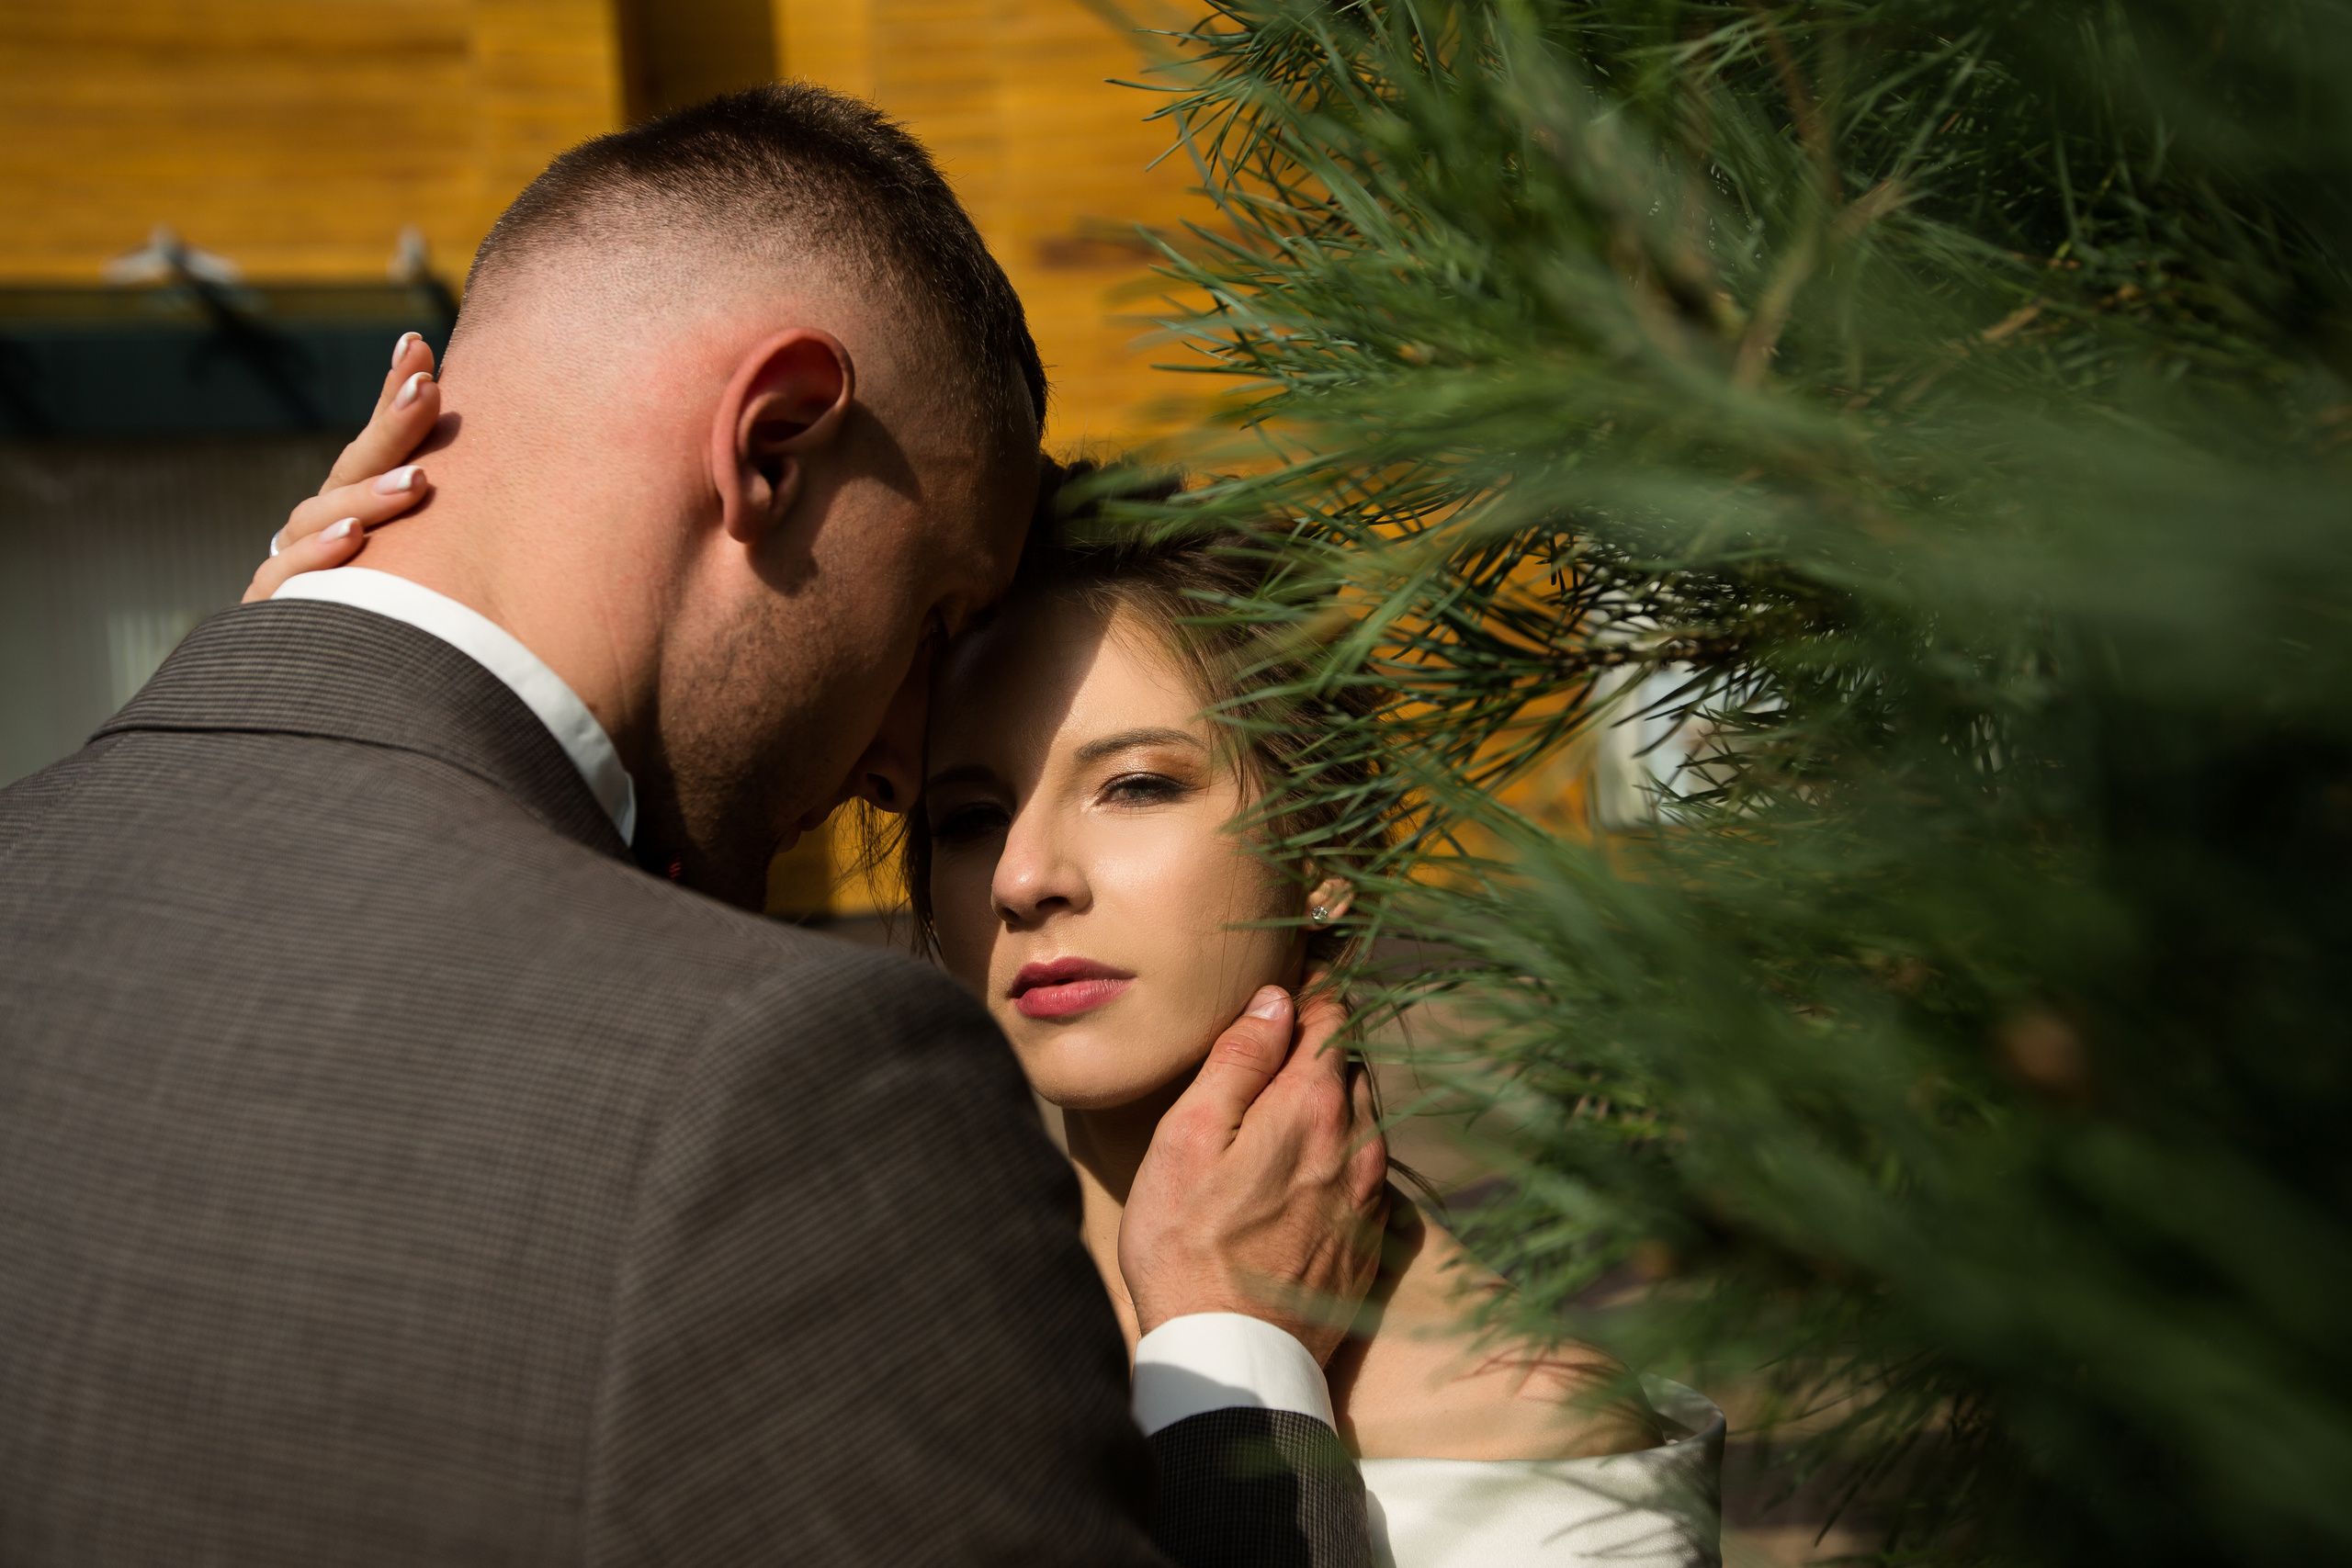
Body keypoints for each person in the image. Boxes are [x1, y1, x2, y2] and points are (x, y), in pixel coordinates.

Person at [0, 86, 1389, 1567]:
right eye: (938, 617)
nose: (891, 770)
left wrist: (312, 702)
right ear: (776, 447)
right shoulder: (771, 1091)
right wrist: (1238, 1367)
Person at [261, 440, 1730, 1566]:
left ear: (1332, 848)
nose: (1027, 875)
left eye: (1138, 785)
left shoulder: (1532, 1434)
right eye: (966, 816)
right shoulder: (875, 1307)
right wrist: (324, 666)